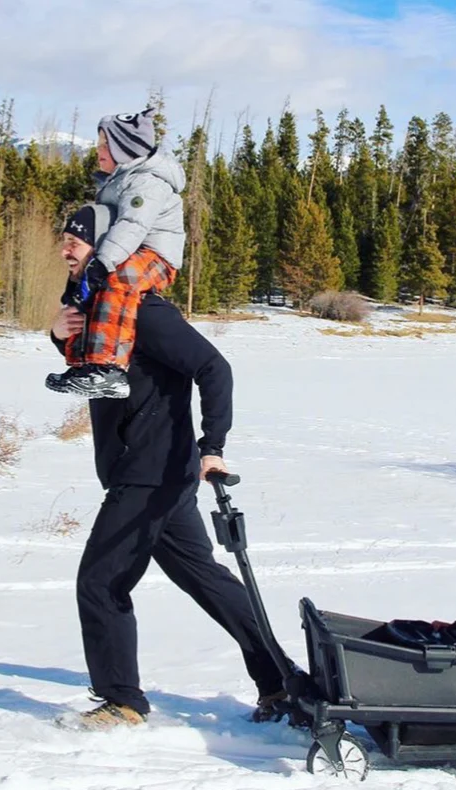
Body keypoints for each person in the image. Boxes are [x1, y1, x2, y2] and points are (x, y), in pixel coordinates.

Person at [50, 205, 285, 730]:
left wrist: (213, 444)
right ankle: (282, 682)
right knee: (208, 582)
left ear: (108, 247)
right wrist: (57, 333)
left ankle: (123, 701)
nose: (66, 249)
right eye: (64, 239)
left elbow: (213, 368)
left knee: (101, 582)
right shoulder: (100, 313)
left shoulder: (144, 312)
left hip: (151, 474)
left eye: (77, 241)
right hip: (148, 472)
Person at [46, 108, 185, 400]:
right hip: (128, 251)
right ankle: (83, 366)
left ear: (126, 147)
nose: (98, 152)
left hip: (156, 256)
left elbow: (131, 226)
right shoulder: (117, 181)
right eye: (98, 145)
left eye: (105, 146)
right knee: (91, 289)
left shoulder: (147, 182)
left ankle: (109, 369)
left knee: (118, 279)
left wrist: (102, 263)